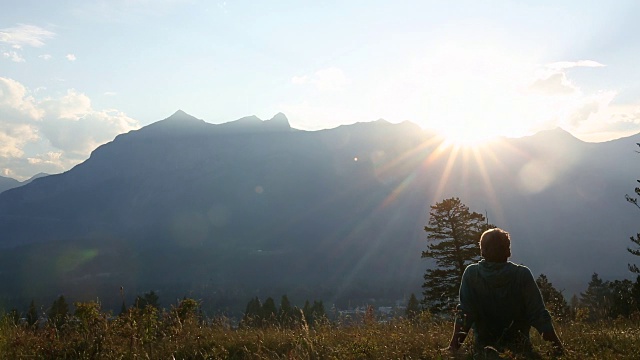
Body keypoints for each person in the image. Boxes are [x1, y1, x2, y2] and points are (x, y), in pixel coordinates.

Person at [446, 228, 564, 358]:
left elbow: (465, 315)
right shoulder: (522, 275)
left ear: (482, 251)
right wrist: (559, 349)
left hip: (484, 352)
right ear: (508, 251)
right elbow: (539, 316)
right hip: (520, 352)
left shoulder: (472, 274)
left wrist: (452, 349)